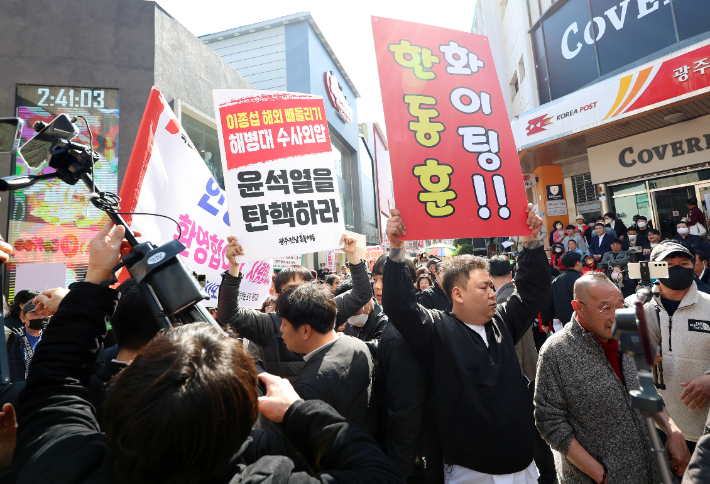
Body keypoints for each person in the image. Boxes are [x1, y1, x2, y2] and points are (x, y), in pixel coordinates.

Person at [10, 222, 402, 484]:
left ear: (121, 402)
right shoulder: (265, 473)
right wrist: (298, 411)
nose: (279, 330)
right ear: (242, 420)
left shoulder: (60, 461)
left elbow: (53, 383)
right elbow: (376, 473)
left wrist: (92, 281)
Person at [383, 204, 550, 482]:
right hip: (469, 469)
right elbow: (399, 305)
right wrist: (396, 248)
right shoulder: (436, 329)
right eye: (483, 287)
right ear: (457, 294)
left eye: (492, 287)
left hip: (522, 463)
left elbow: (534, 290)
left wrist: (532, 242)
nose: (492, 293)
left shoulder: (504, 320)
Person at [535, 273, 690, 483]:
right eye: (605, 308)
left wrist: (673, 431)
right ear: (577, 307)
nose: (615, 315)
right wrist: (601, 475)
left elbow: (645, 390)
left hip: (650, 471)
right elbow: (549, 422)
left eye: (620, 306)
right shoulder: (556, 351)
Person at [217, 234, 372, 381]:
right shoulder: (267, 325)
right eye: (290, 290)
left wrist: (352, 254)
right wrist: (234, 266)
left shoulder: (327, 310)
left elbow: (362, 293)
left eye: (303, 287)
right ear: (277, 295)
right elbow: (228, 315)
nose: (298, 294)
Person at [276, 282, 377, 437]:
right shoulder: (357, 345)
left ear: (305, 330)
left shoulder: (309, 385)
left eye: (284, 323)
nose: (280, 329)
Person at [374, 254, 443, 483]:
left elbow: (406, 410)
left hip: (414, 456)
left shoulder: (401, 335)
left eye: (384, 279)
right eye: (374, 279)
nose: (377, 287)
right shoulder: (406, 324)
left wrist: (398, 467)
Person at [489, 255, 557, 484]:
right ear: (510, 273)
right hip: (529, 371)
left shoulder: (503, 301)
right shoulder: (510, 295)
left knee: (533, 431)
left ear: (489, 276)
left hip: (522, 375)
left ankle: (547, 475)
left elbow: (514, 347)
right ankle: (547, 473)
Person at [644, 241, 710, 450]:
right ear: (654, 268)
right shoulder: (638, 309)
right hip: (659, 428)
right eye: (669, 264)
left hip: (704, 431)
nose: (678, 268)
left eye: (684, 263)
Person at [7, 303, 49, 383]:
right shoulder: (12, 340)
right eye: (35, 314)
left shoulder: (52, 340)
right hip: (21, 389)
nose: (40, 317)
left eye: (44, 314)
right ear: (23, 318)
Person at [543, 251, 583, 329]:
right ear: (577, 262)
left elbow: (548, 303)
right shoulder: (583, 280)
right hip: (584, 322)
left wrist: (545, 322)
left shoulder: (556, 281)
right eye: (581, 261)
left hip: (566, 324)